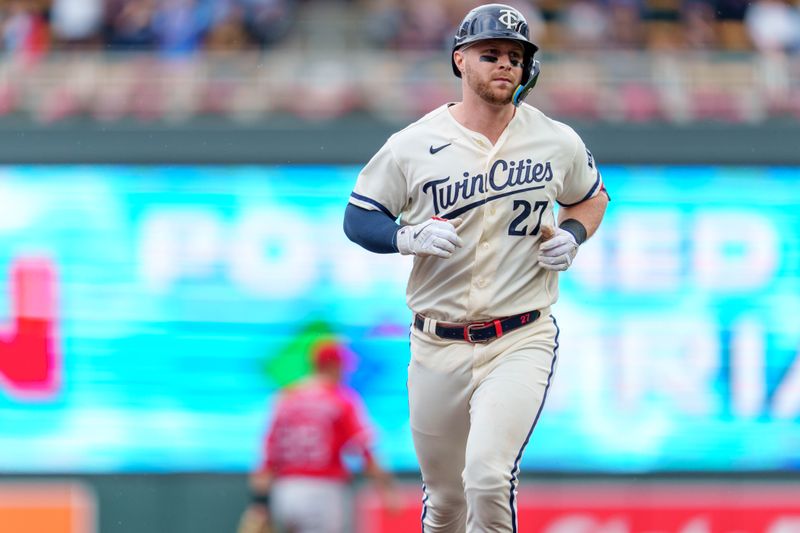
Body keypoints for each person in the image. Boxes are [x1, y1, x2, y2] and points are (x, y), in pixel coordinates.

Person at [343, 3, 609, 532]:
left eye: (516, 56)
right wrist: (405, 236)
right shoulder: (413, 144)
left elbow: (592, 197)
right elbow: (358, 216)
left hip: (520, 335)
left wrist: (574, 235)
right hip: (436, 342)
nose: (505, 64)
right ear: (460, 60)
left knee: (487, 477)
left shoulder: (555, 139)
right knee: (444, 501)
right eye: (491, 54)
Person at [238, 340, 395, 533]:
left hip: (285, 491)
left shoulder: (286, 398)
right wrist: (387, 490)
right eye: (343, 367)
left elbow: (267, 458)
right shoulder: (340, 399)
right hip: (323, 490)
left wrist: (259, 503)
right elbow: (365, 450)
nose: (345, 372)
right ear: (333, 366)